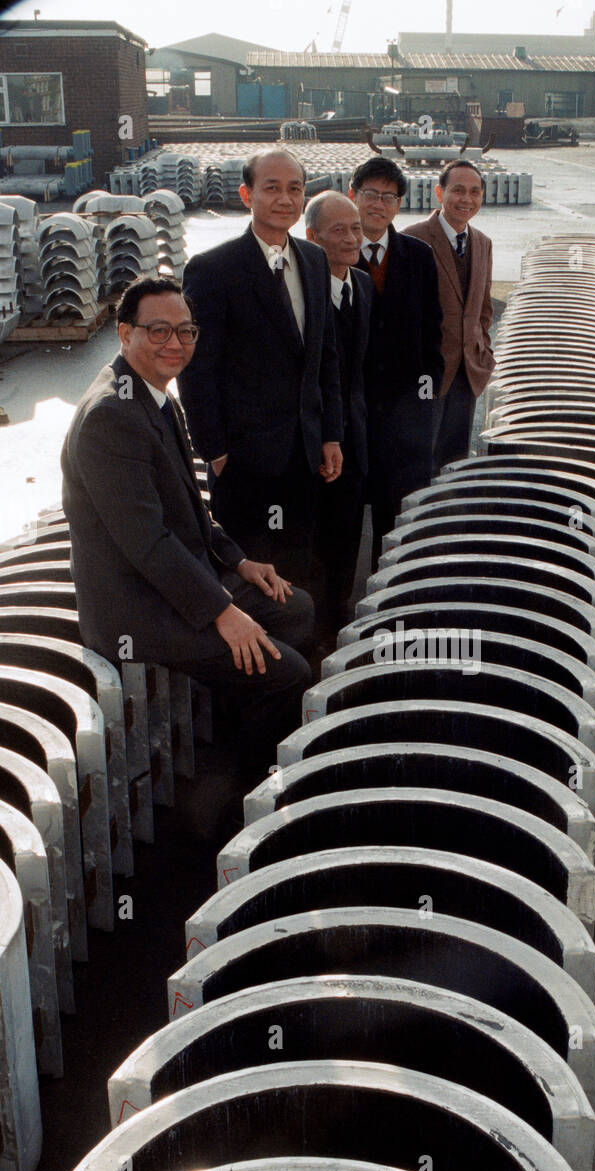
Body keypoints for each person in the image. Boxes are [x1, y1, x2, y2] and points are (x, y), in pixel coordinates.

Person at [61, 274, 314, 783]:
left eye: (185, 331)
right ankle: (251, 795)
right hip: (135, 608)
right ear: (123, 332)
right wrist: (224, 612)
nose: (175, 344)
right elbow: (148, 544)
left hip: (174, 581)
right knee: (289, 674)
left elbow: (190, 511)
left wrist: (239, 561)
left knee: (297, 609)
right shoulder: (111, 416)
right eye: (158, 331)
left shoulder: (152, 394)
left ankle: (232, 725)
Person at [178, 149, 343, 596]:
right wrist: (214, 451)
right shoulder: (213, 269)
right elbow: (196, 370)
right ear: (246, 194)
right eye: (272, 188)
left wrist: (330, 434)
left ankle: (300, 655)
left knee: (300, 561)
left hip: (305, 452)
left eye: (295, 189)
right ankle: (252, 660)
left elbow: (324, 357)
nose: (285, 199)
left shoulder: (313, 259)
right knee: (248, 573)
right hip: (243, 458)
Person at [349, 156, 445, 562]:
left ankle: (386, 601)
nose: (378, 204)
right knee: (343, 516)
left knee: (396, 519)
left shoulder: (418, 256)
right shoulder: (328, 253)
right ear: (352, 195)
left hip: (403, 415)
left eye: (389, 196)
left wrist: (424, 407)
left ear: (399, 204)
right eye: (370, 194)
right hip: (349, 413)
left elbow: (431, 335)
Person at [304, 190, 373, 642]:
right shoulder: (298, 292)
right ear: (312, 238)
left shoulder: (363, 285)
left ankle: (337, 622)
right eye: (339, 231)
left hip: (355, 437)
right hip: (309, 440)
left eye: (356, 229)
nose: (352, 240)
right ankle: (307, 627)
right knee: (311, 539)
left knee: (348, 533)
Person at [403, 158, 495, 472]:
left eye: (474, 192)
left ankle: (449, 518)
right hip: (423, 374)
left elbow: (483, 308)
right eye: (458, 190)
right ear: (440, 194)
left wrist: (482, 348)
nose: (466, 200)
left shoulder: (483, 243)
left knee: (454, 459)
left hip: (466, 373)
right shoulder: (411, 239)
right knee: (416, 459)